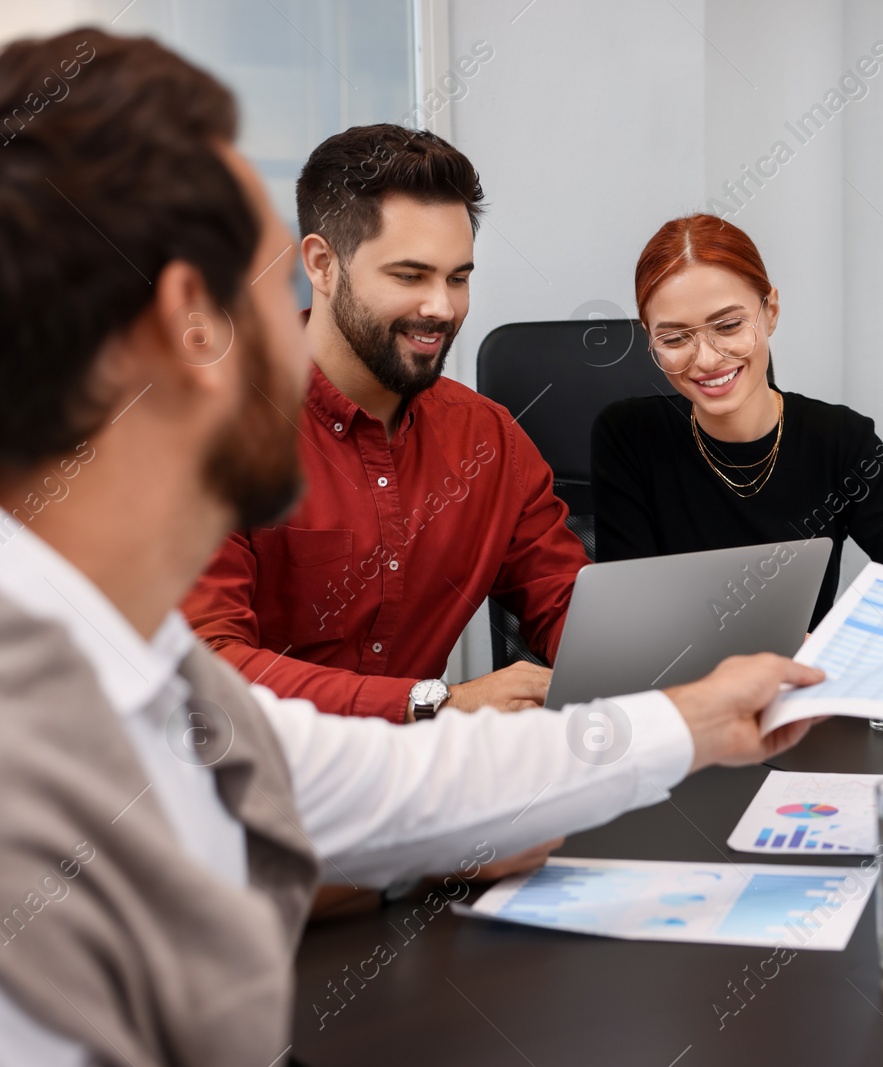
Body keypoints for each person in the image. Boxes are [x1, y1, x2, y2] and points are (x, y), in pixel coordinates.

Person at [0, 30, 821, 1065]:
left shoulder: (111, 651)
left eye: (457, 275)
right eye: (269, 295)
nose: (440, 304)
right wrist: (435, 749)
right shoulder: (61, 736)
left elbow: (351, 781)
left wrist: (688, 712)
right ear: (189, 323)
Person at [180, 122, 589, 722]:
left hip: (419, 789)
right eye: (410, 276)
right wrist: (432, 703)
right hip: (252, 788)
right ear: (322, 265)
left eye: (458, 277)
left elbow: (569, 609)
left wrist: (684, 668)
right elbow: (208, 667)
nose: (442, 308)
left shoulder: (489, 440)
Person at [592, 214, 883, 629]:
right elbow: (627, 628)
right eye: (674, 339)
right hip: (681, 690)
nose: (707, 360)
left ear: (771, 312)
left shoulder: (842, 441)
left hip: (800, 687)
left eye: (728, 326)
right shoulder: (629, 437)